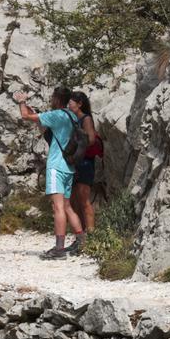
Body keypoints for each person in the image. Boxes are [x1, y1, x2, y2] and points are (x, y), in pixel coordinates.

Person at [14, 88, 85, 260]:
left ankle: (59, 250)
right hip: (69, 167)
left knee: (58, 207)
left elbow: (24, 116)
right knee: (67, 206)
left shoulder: (56, 114)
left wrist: (22, 102)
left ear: (57, 99)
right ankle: (82, 241)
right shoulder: (71, 116)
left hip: (56, 166)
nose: (51, 100)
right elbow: (47, 131)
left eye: (53, 97)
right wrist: (37, 117)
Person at [68, 91, 103, 234]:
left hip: (85, 163)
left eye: (70, 103)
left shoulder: (86, 119)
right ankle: (80, 235)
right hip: (76, 163)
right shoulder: (74, 120)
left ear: (79, 104)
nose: (69, 106)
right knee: (74, 201)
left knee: (84, 200)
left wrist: (76, 148)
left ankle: (91, 234)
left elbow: (91, 139)